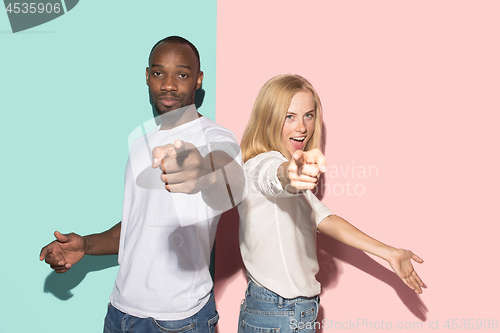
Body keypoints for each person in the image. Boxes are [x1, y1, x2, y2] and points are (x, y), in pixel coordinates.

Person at [39, 36, 243, 333]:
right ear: (147, 76)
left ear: (198, 80)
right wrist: (86, 244)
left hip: (179, 319)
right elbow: (139, 225)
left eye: (182, 75)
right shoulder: (140, 143)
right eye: (159, 73)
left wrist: (199, 168)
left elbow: (230, 177)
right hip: (120, 313)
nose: (169, 84)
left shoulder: (214, 136)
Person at [237, 74, 424, 333]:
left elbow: (325, 219)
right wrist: (291, 172)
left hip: (292, 311)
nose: (302, 127)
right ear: (267, 118)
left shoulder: (296, 186)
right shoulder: (259, 165)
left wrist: (388, 252)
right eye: (289, 116)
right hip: (277, 313)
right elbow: (274, 176)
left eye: (309, 115)